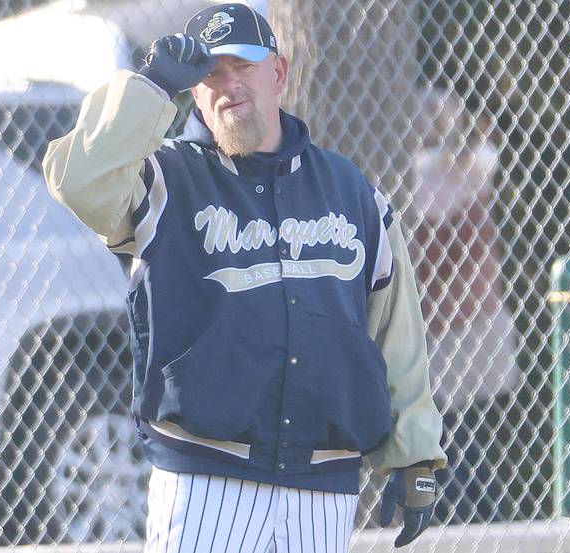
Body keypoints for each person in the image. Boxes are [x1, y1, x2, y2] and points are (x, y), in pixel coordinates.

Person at [43, 3, 447, 551]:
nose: (229, 85)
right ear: (194, 91)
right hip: (205, 480)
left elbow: (396, 331)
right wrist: (151, 86)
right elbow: (78, 180)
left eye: (243, 66)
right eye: (211, 73)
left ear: (278, 73)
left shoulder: (351, 192)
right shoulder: (163, 181)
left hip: (322, 485)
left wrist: (414, 451)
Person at [412, 87, 521, 523]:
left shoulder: (465, 172)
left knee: (461, 444)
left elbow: (480, 156)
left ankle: (475, 524)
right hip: (439, 331)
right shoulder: (430, 176)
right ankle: (466, 521)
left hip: (463, 330)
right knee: (450, 445)